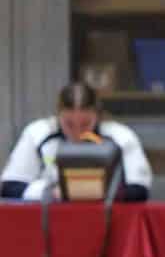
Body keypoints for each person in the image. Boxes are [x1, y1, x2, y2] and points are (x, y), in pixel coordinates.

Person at [2, 82, 152, 200]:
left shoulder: (121, 137)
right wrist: (50, 191)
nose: (77, 131)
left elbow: (139, 190)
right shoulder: (37, 133)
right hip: (49, 217)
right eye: (69, 124)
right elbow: (9, 187)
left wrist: (98, 192)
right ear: (59, 114)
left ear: (97, 115)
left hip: (106, 218)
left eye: (85, 123)